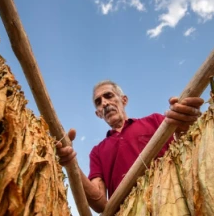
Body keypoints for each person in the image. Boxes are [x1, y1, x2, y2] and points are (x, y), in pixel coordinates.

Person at [56, 80, 203, 213]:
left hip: (171, 204)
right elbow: (100, 203)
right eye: (99, 102)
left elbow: (186, 151)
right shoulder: (97, 152)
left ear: (124, 100)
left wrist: (184, 125)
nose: (105, 103)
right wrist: (71, 163)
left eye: (109, 96)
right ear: (98, 114)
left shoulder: (156, 121)